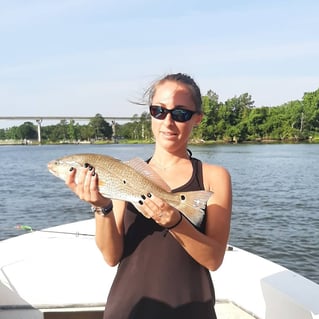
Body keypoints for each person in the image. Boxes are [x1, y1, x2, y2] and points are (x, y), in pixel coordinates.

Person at [66, 73, 232, 319]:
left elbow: (214, 259)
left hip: (192, 310)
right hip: (129, 309)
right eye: (159, 111)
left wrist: (175, 222)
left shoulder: (213, 177)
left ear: (197, 119)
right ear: (151, 114)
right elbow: (111, 257)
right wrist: (101, 206)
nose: (168, 122)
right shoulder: (126, 174)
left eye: (181, 114)